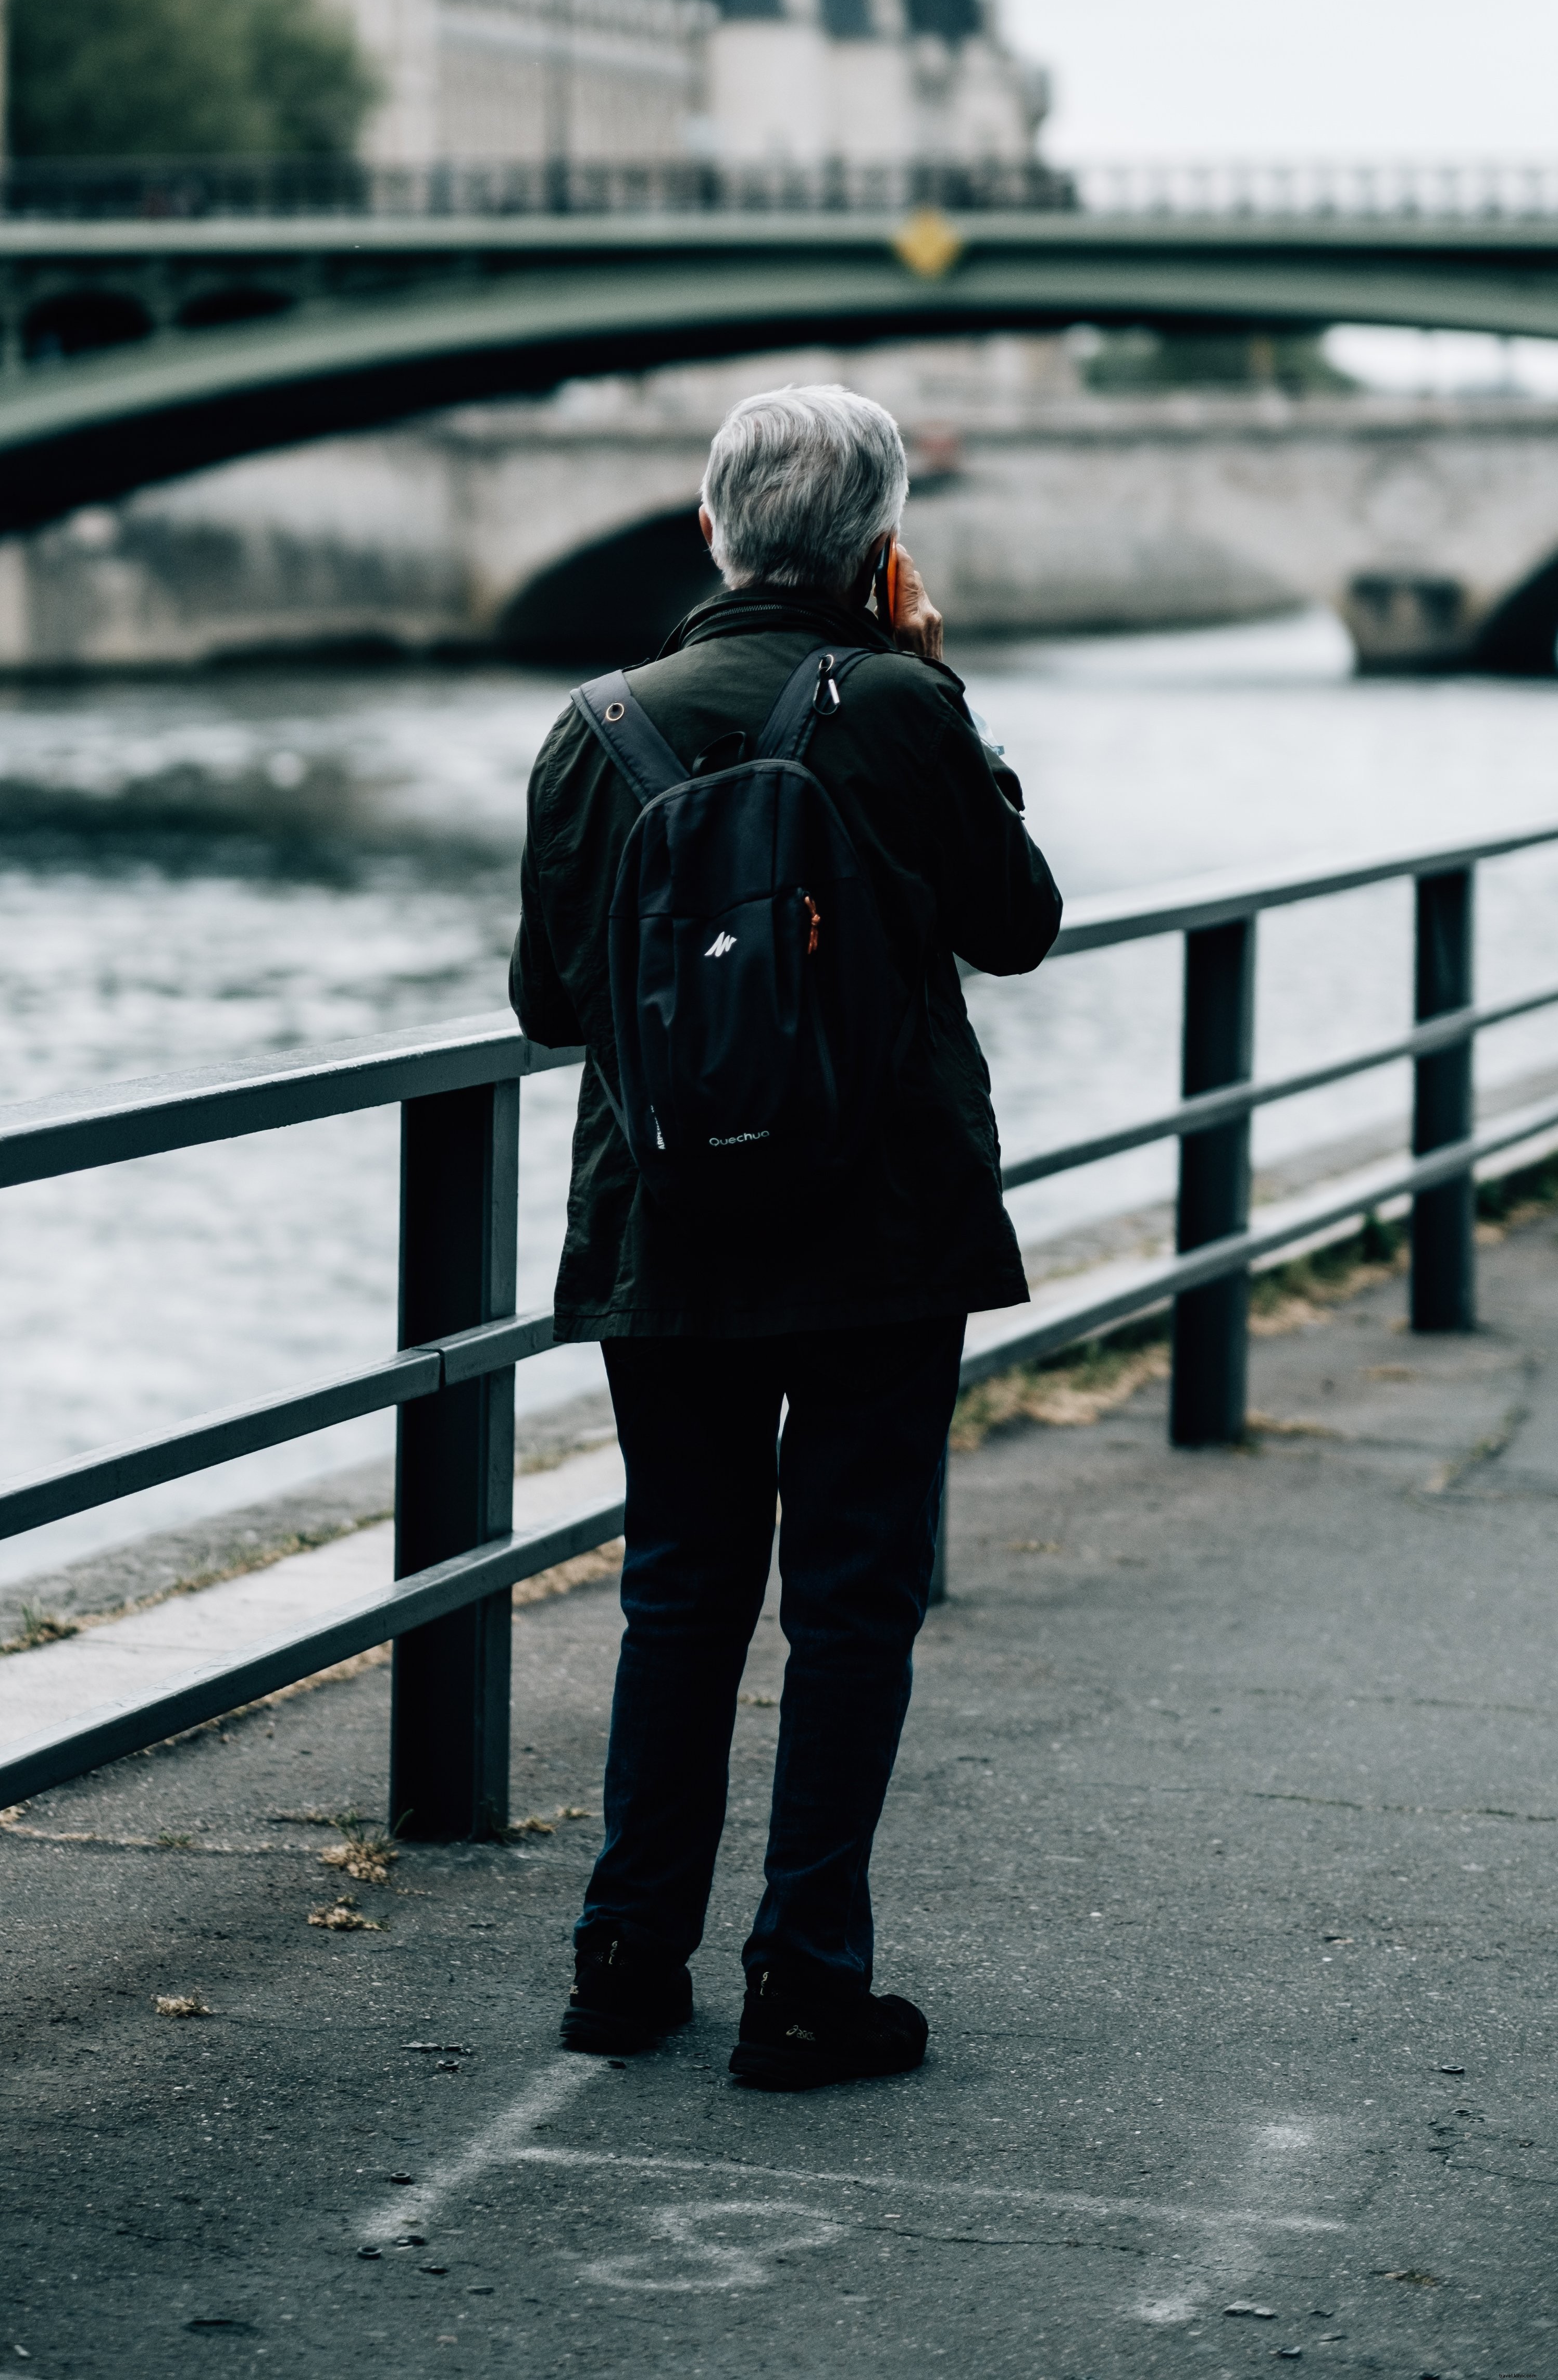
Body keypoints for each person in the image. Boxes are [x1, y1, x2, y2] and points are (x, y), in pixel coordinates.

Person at [508, 381, 1063, 2091]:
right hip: (880, 1232)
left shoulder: (595, 727)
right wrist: (942, 684)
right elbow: (1018, 926)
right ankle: (808, 1976)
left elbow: (547, 1005)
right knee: (850, 1599)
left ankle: (626, 1954)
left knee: (679, 1588)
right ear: (883, 550)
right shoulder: (900, 709)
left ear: (708, 531)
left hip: (664, 1230)